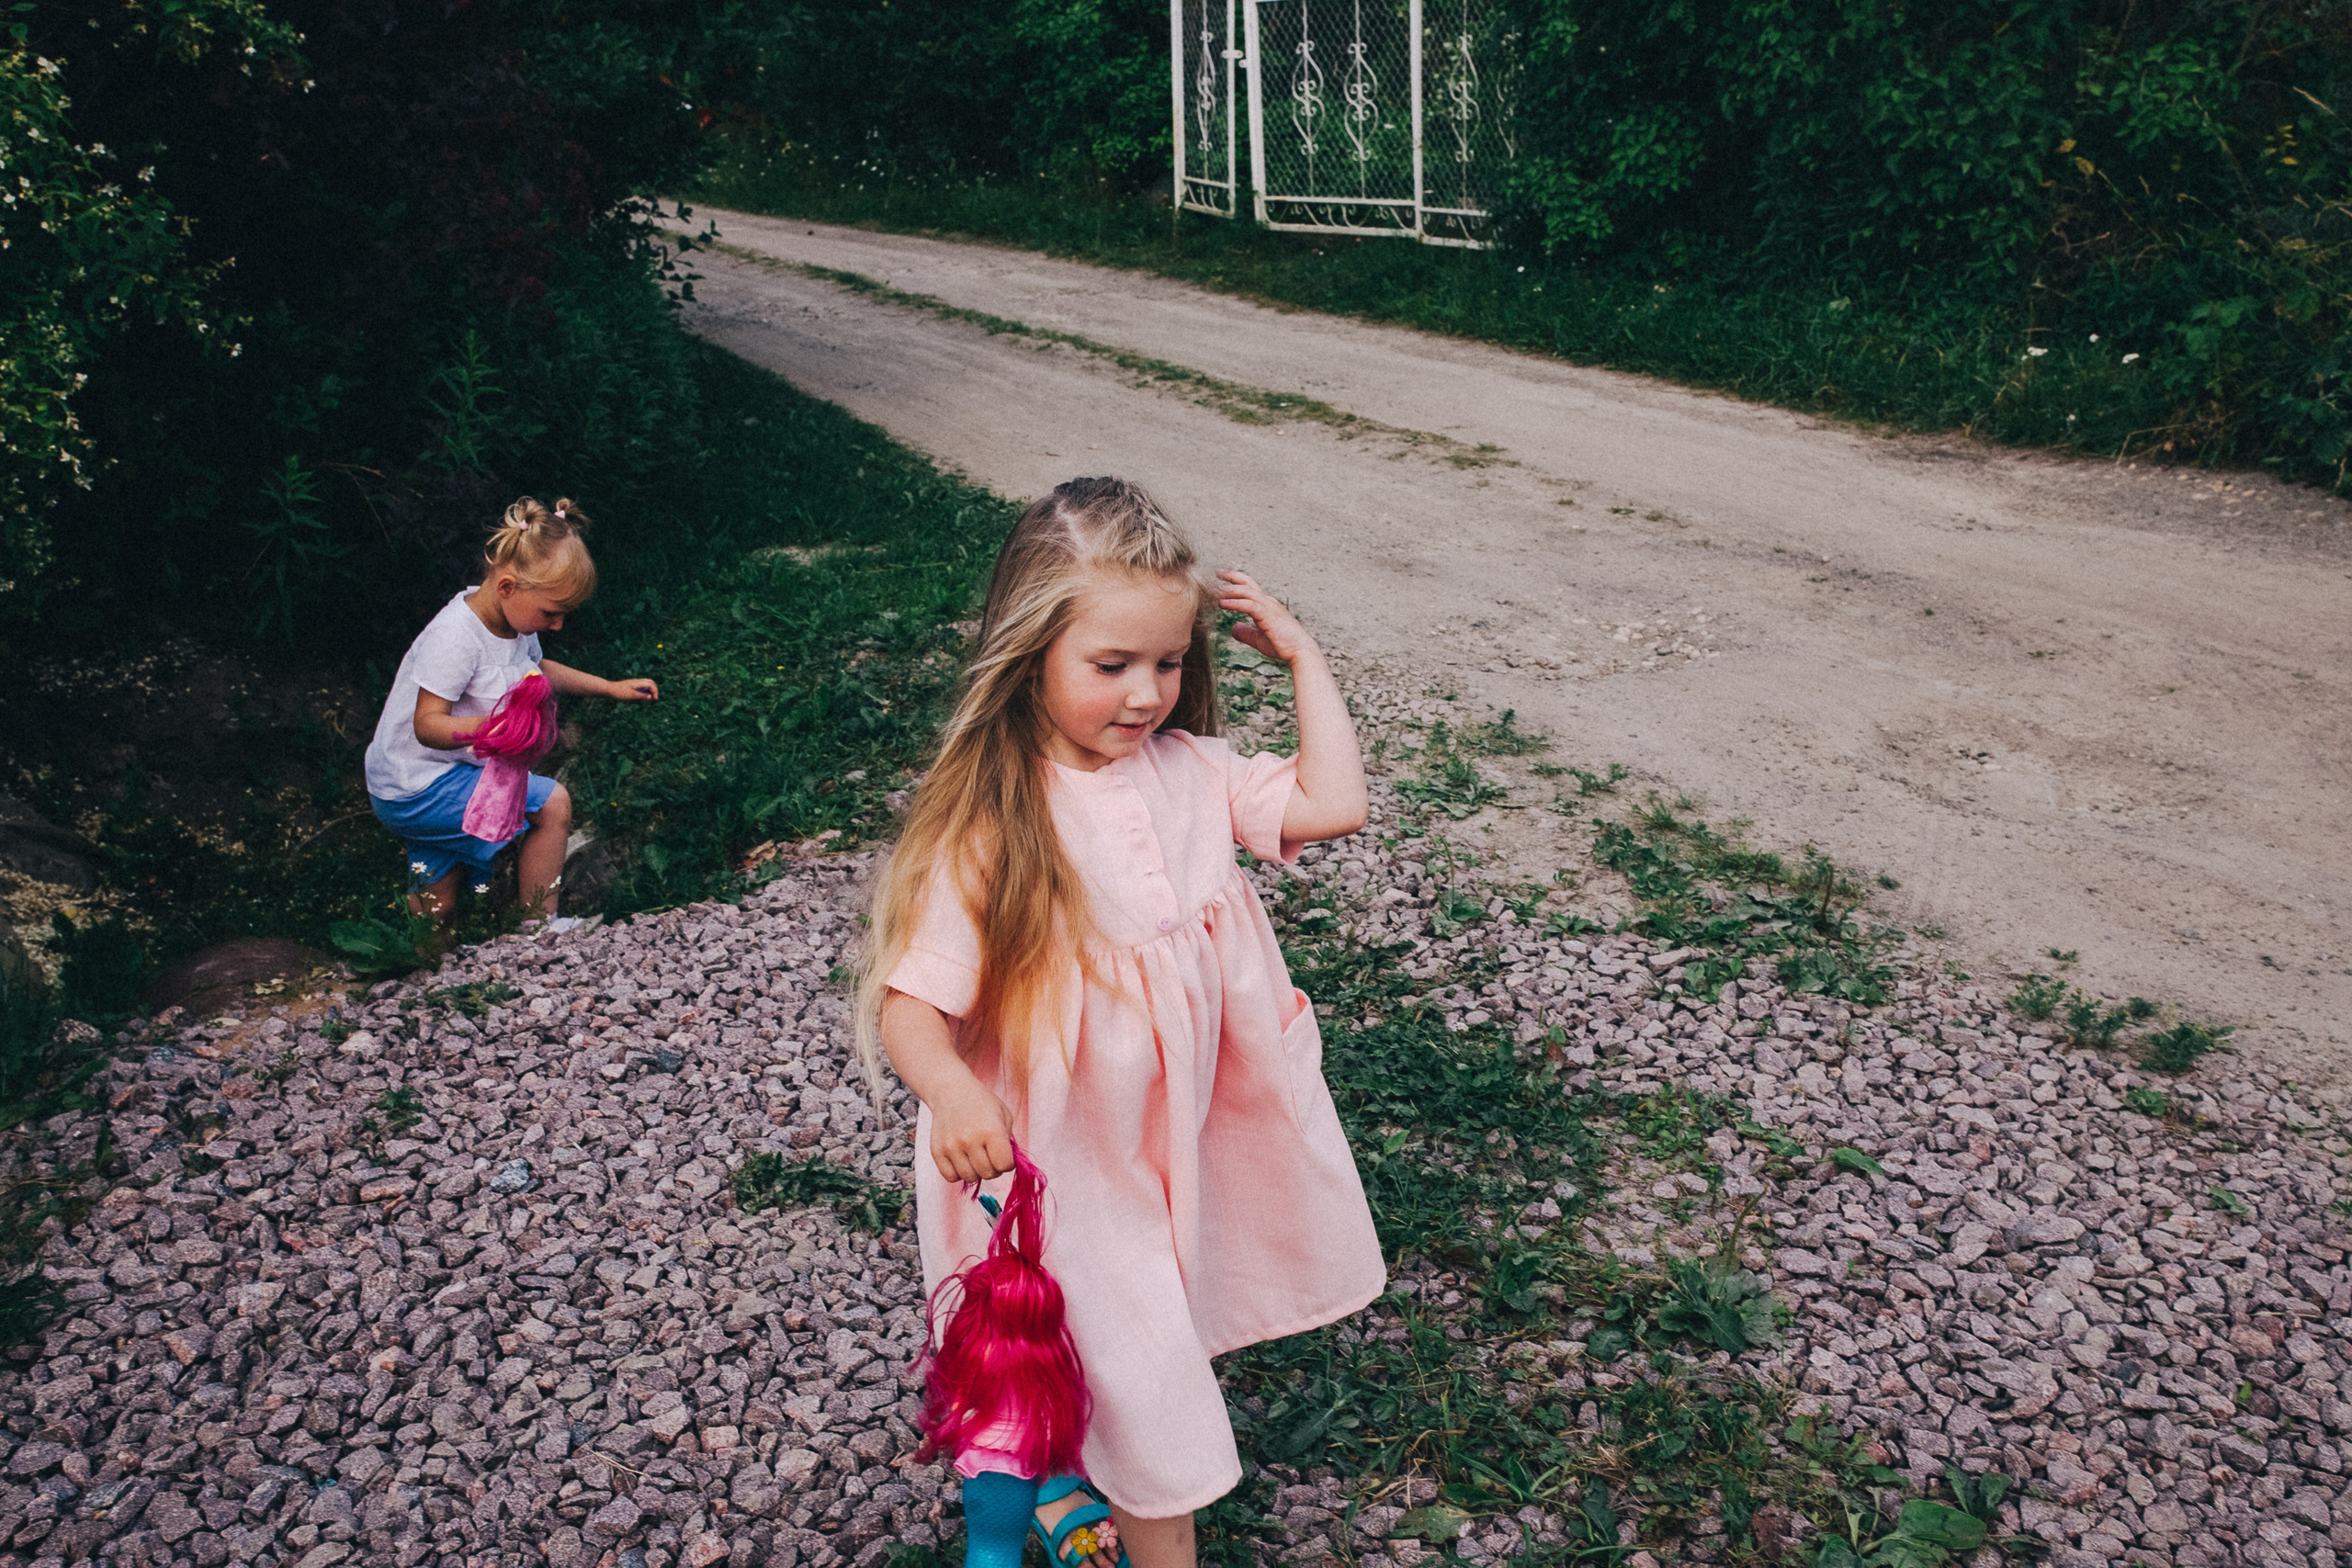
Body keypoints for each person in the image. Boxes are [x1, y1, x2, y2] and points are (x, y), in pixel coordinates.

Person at [855, 479, 1385, 1568]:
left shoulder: (1192, 775)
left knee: (1130, 1337)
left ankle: (1054, 1479)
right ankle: (1140, 1521)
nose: (1147, 694)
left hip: (1170, 1141)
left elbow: (1333, 804)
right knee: (1153, 1397)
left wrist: (1305, 662)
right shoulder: (1000, 827)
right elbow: (912, 1005)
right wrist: (954, 1093)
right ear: (1029, 654)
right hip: (1057, 1163)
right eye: (1112, 666)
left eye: (1171, 661)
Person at [363, 497, 657, 931]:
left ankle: (430, 979)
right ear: (506, 587)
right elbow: (426, 725)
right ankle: (539, 928)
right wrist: (487, 728)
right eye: (550, 613)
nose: (557, 626)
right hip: (415, 785)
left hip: (433, 777)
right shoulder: (455, 638)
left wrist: (609, 688)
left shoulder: (513, 623)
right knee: (552, 805)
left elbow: (537, 669)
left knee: (437, 908)